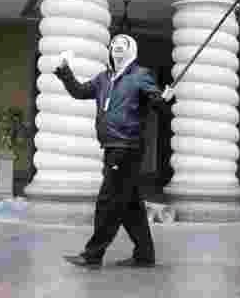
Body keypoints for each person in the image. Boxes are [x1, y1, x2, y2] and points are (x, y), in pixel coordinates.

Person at [52, 33, 175, 268]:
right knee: (131, 206)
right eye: (114, 44)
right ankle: (145, 255)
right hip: (111, 146)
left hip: (127, 147)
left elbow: (158, 105)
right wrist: (64, 71)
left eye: (123, 44)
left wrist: (165, 99)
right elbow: (78, 91)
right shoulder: (103, 78)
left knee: (107, 201)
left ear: (132, 50)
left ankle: (92, 255)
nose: (117, 47)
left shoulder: (141, 76)